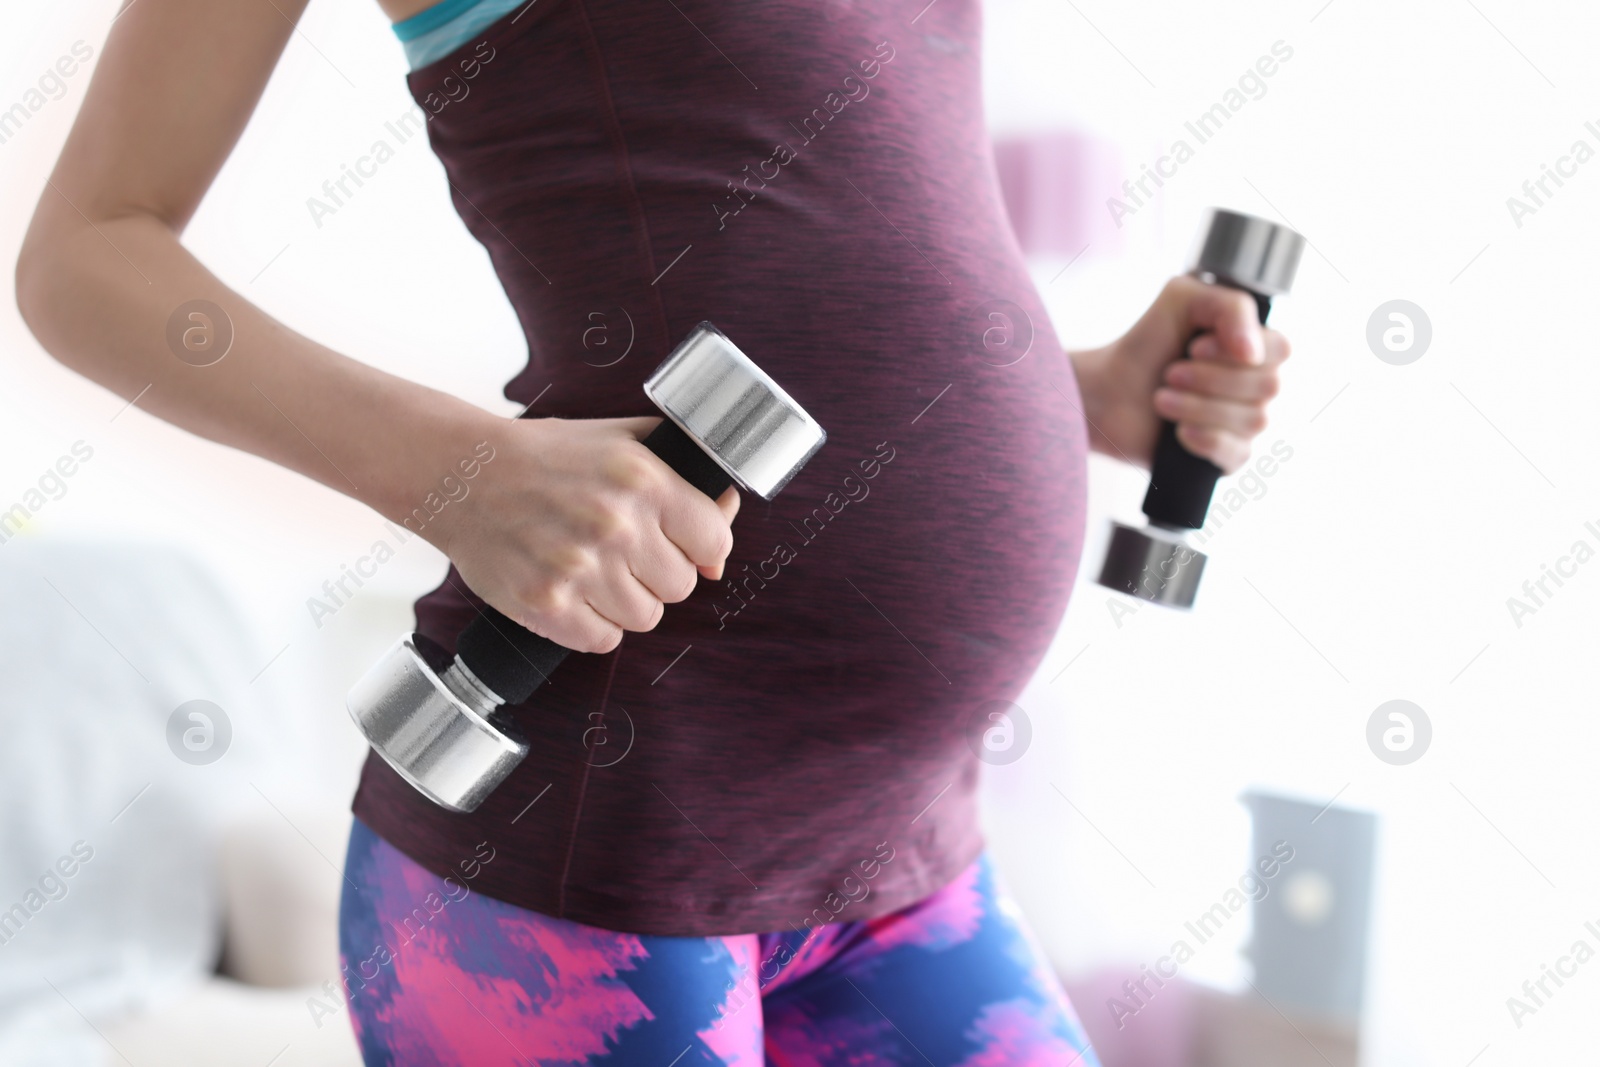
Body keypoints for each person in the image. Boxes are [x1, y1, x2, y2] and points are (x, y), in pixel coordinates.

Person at [15, 0, 1290, 1061]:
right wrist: (457, 474)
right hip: (588, 860)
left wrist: (1082, 390)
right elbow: (85, 256)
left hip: (900, 843)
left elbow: (836, 240)